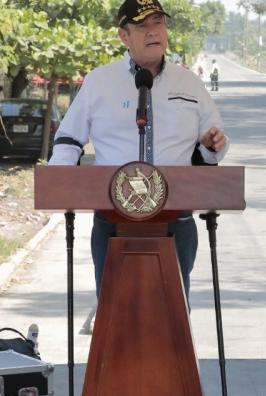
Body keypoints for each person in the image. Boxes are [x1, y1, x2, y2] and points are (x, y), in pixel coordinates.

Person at [48, 0, 229, 303]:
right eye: (142, 26)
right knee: (115, 310)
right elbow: (68, 139)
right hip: (113, 216)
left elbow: (211, 148)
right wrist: (57, 182)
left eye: (158, 22)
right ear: (124, 36)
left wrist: (213, 146)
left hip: (176, 216)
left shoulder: (190, 83)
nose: (153, 31)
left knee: (174, 310)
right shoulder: (99, 82)